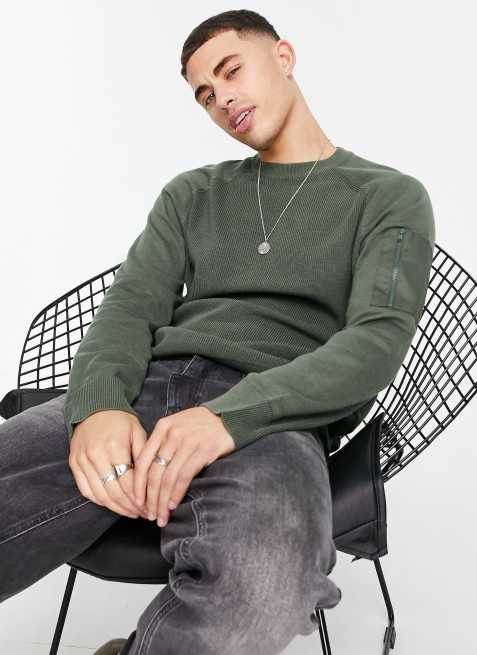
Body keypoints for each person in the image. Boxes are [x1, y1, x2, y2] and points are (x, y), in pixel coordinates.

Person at [0, 9, 436, 655]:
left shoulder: (387, 196)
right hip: (149, 388)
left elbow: (373, 343)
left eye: (231, 71)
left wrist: (227, 418)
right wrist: (97, 406)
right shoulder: (193, 194)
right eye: (204, 94)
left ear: (283, 57)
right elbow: (129, 307)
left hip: (275, 419)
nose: (222, 98)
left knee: (265, 589)